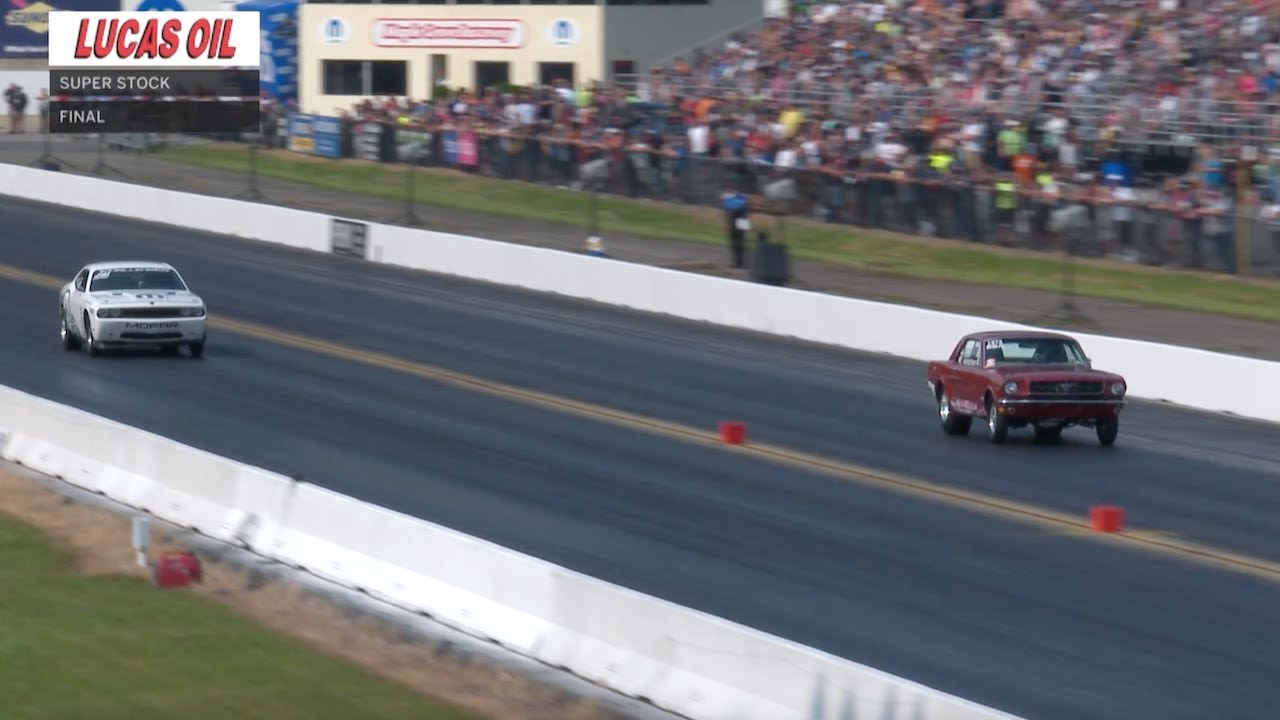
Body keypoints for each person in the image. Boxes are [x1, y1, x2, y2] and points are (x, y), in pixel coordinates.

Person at [720, 185, 749, 268]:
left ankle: (738, 262)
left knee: (736, 242)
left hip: (739, 220)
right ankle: (740, 261)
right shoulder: (742, 198)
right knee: (740, 241)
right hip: (742, 220)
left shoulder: (730, 199)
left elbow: (729, 210)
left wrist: (727, 224)